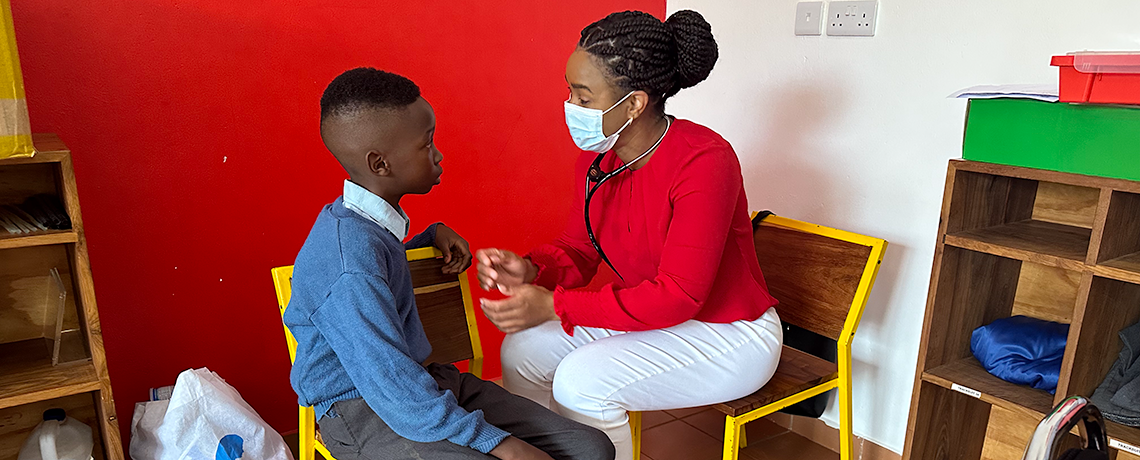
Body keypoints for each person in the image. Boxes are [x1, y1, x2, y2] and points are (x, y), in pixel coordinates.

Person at [475, 10, 783, 460]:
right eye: (570, 92)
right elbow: (579, 250)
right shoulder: (601, 158)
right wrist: (532, 269)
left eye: (583, 97)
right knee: (522, 351)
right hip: (653, 315)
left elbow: (679, 296)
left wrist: (554, 304)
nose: (570, 108)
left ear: (634, 103)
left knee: (583, 383)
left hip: (729, 333)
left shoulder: (704, 161)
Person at [284, 68, 615, 460]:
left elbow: (378, 272)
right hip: (362, 409)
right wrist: (501, 444)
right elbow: (390, 384)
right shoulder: (348, 264)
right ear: (380, 164)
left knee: (591, 448)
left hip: (422, 383)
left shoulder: (365, 225)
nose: (438, 155)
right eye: (427, 144)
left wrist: (428, 238)